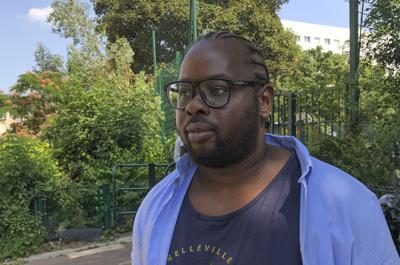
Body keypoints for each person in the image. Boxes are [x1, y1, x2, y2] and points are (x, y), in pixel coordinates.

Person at [131, 32, 399, 265]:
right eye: (185, 91)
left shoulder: (347, 203)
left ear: (264, 101)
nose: (192, 106)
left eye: (216, 89)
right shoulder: (156, 208)